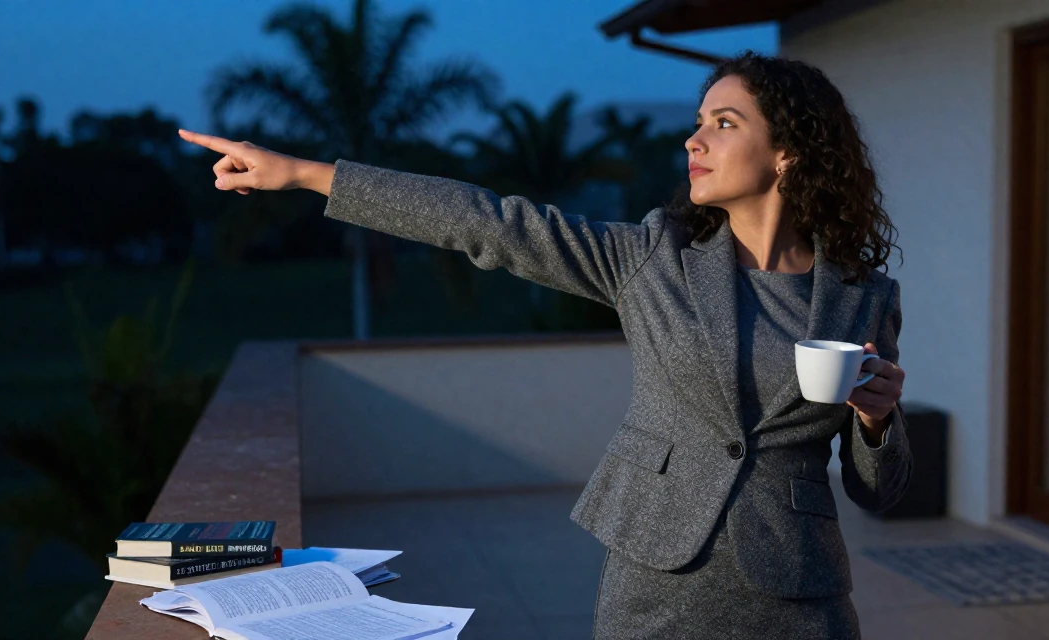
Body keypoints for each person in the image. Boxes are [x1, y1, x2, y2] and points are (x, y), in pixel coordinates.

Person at [179, 50, 910, 640]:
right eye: (697, 121)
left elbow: (880, 489)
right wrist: (304, 174)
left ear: (785, 154)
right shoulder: (654, 257)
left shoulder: (863, 297)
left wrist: (878, 424)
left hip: (798, 588)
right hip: (659, 579)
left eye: (724, 123)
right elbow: (489, 223)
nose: (694, 139)